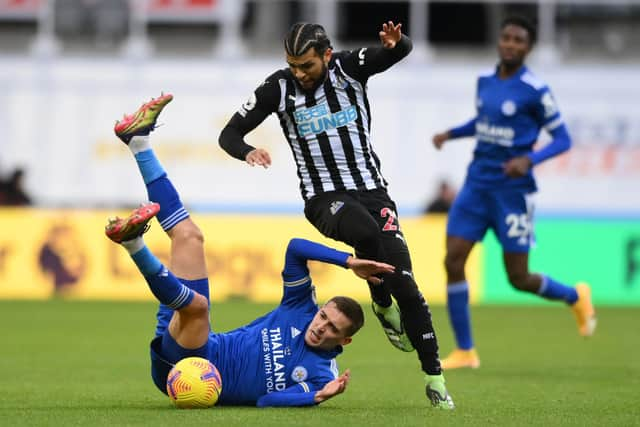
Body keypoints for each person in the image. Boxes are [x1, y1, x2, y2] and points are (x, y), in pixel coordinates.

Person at [107, 94, 398, 407]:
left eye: (332, 328)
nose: (321, 326)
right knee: (190, 236)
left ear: (344, 341)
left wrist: (316, 396)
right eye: (324, 316)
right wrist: (348, 260)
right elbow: (296, 248)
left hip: (197, 372)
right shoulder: (301, 309)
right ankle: (138, 141)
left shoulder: (321, 375)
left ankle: (133, 242)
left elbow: (267, 401)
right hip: (192, 346)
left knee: (198, 307)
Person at [219, 21, 454, 408]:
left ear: (326, 56)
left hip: (374, 193)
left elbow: (397, 52)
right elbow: (229, 133)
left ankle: (435, 380)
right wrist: (246, 150)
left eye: (306, 66)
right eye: (292, 65)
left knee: (407, 285)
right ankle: (379, 298)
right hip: (324, 199)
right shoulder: (276, 88)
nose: (298, 74)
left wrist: (398, 43)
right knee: (365, 232)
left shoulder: (348, 68)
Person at [430, 16, 596, 370]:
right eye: (506, 38)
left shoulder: (536, 90)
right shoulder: (485, 83)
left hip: (512, 192)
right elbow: (483, 123)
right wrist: (451, 134)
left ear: (528, 47)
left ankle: (574, 297)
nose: (510, 44)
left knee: (518, 277)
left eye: (518, 40)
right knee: (453, 259)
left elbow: (563, 139)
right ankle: (465, 351)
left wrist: (529, 159)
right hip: (476, 185)